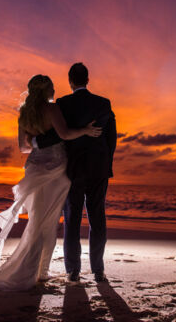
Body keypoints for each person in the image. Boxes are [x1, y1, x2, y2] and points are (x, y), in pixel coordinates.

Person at [0, 74, 101, 291]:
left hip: (35, 167)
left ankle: (39, 271)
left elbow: (23, 147)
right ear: (46, 90)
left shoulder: (25, 113)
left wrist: (38, 143)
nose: (55, 90)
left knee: (38, 219)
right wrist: (85, 130)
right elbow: (65, 134)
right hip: (56, 169)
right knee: (46, 222)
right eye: (52, 86)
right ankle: (35, 272)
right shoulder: (52, 109)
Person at [37, 62, 117, 283]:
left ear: (70, 81)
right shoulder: (103, 103)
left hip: (72, 169)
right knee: (97, 217)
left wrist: (36, 142)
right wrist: (106, 161)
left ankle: (73, 271)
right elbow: (111, 137)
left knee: (72, 219)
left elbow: (58, 134)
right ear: (87, 80)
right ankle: (98, 270)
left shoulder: (62, 104)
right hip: (98, 167)